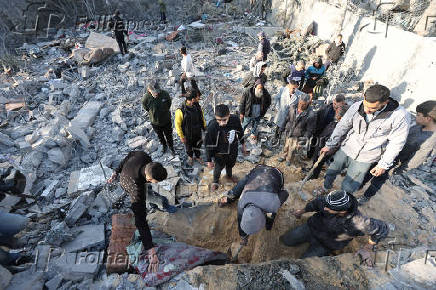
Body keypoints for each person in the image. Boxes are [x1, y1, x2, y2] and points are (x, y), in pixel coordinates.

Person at [314, 84, 411, 196]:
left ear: (385, 103)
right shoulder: (357, 106)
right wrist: (330, 144)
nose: (366, 110)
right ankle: (326, 188)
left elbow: (397, 142)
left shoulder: (399, 116)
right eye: (365, 105)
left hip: (367, 157)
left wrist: (383, 164)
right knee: (332, 170)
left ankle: (340, 200)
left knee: (350, 183)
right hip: (348, 148)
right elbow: (342, 126)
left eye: (372, 108)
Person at [358, 100, 436, 204]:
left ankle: (366, 197)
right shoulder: (418, 126)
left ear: (428, 118)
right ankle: (359, 185)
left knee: (378, 181)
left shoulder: (430, 140)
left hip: (394, 162)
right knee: (369, 171)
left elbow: (417, 159)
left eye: (418, 115)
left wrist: (399, 170)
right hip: (386, 153)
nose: (415, 117)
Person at [280, 190, 388, 264]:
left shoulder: (358, 221)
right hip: (311, 228)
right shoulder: (328, 201)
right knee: (286, 240)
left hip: (327, 244)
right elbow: (315, 204)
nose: (324, 208)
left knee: (303, 264)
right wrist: (301, 211)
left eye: (329, 208)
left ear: (342, 211)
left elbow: (382, 229)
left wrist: (367, 248)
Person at [107, 151, 168, 273]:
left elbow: (128, 155)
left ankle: (157, 199)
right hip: (126, 183)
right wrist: (151, 251)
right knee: (140, 210)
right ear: (149, 178)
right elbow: (141, 222)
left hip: (125, 173)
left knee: (146, 194)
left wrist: (116, 171)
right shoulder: (136, 189)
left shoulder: (143, 156)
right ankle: (157, 200)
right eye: (154, 182)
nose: (155, 183)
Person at [218, 165, 289, 245]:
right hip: (258, 171)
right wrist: (243, 236)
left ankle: (268, 225)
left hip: (276, 173)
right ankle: (228, 198)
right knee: (238, 188)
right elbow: (240, 220)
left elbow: (285, 193)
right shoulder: (242, 203)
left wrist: (269, 224)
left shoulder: (273, 204)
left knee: (271, 214)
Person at [205, 104, 247, 191]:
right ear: (215, 117)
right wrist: (209, 160)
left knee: (230, 164)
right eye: (219, 120)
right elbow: (208, 143)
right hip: (219, 151)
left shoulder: (235, 120)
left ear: (229, 115)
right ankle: (215, 181)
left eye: (224, 120)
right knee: (218, 167)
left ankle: (229, 176)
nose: (222, 123)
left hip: (232, 148)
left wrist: (243, 144)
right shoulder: (212, 126)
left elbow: (240, 132)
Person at [277, 93, 316, 166]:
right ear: (298, 101)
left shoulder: (311, 115)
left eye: (303, 104)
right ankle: (283, 155)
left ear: (308, 103)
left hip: (298, 135)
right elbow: (287, 118)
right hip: (289, 131)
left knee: (292, 149)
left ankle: (289, 159)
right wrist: (282, 127)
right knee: (286, 145)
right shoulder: (292, 107)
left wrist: (303, 140)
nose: (301, 106)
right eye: (300, 103)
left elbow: (309, 130)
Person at [310, 105, 349, 180]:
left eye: (337, 112)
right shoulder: (334, 123)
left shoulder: (343, 129)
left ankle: (314, 176)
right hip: (321, 144)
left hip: (327, 150)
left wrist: (326, 152)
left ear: (341, 117)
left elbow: (337, 144)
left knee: (319, 162)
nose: (335, 113)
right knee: (316, 161)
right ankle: (312, 171)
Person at [308, 94, 347, 158]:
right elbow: (318, 117)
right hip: (320, 130)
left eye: (337, 106)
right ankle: (310, 156)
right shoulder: (326, 107)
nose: (334, 106)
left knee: (322, 151)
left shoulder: (345, 112)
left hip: (331, 136)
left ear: (343, 103)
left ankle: (316, 160)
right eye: (334, 104)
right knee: (314, 145)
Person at [142, 81, 175, 155]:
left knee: (169, 135)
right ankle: (164, 146)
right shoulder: (146, 98)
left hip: (166, 120)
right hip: (155, 122)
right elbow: (146, 107)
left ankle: (171, 147)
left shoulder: (165, 94)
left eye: (157, 91)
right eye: (154, 92)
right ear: (149, 90)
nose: (156, 93)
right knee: (160, 136)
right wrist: (153, 113)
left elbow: (169, 104)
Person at [175, 89, 206, 166]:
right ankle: (190, 157)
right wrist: (181, 136)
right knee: (189, 147)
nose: (198, 98)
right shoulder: (180, 110)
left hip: (197, 131)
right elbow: (177, 125)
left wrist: (204, 128)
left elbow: (201, 117)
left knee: (198, 145)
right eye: (197, 97)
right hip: (188, 134)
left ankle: (198, 157)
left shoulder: (197, 106)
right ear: (193, 99)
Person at [272, 81, 304, 145]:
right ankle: (275, 138)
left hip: (290, 114)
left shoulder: (300, 94)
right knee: (278, 126)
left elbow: (302, 102)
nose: (293, 90)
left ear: (297, 87)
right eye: (292, 88)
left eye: (295, 88)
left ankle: (282, 139)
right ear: (289, 86)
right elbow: (276, 97)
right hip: (282, 112)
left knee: (286, 127)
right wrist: (277, 106)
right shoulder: (282, 90)